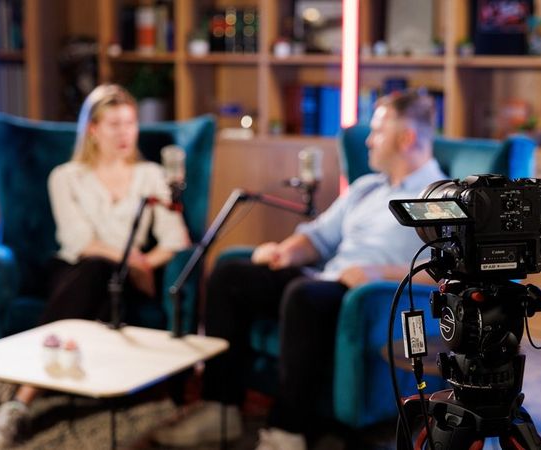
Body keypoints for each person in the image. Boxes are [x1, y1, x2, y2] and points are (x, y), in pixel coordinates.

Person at [154, 89, 446, 450]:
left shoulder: (440, 198)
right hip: (324, 282)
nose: (369, 141)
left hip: (369, 299)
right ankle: (220, 409)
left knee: (303, 296)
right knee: (232, 276)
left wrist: (378, 272)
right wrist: (285, 252)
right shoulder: (366, 187)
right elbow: (318, 237)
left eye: (378, 132)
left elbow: (448, 271)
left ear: (407, 138)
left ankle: (287, 431)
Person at [0, 84, 190, 448]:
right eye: (114, 124)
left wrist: (141, 266)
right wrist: (137, 261)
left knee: (102, 272)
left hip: (124, 278)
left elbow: (176, 241)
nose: (125, 132)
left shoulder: (151, 176)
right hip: (74, 271)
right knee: (94, 271)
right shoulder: (66, 177)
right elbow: (81, 242)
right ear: (93, 129)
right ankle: (18, 398)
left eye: (130, 123)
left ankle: (13, 389)